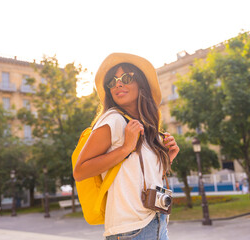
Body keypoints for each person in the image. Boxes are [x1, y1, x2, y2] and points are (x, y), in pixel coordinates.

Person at [73, 53, 179, 240]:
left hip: (158, 223)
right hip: (131, 231)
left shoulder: (144, 126)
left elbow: (140, 177)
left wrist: (168, 156)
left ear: (141, 84)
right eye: (112, 82)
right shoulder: (113, 120)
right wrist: (125, 149)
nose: (118, 84)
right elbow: (80, 171)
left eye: (126, 78)